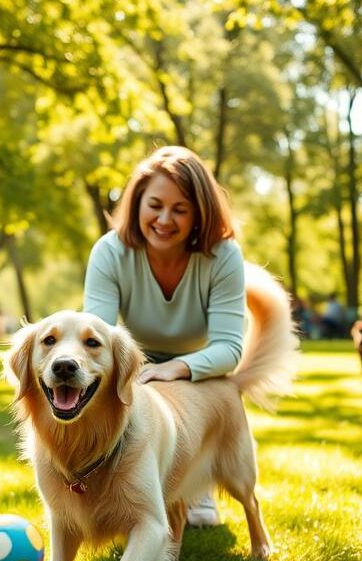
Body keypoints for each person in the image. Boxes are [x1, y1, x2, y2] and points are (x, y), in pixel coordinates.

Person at [83, 146, 246, 528]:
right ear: (138, 203)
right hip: (135, 363)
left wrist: (176, 368)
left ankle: (197, 484)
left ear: (200, 213)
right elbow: (96, 340)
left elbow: (229, 348)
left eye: (180, 209)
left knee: (192, 397)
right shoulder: (110, 252)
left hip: (197, 368)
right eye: (155, 205)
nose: (164, 219)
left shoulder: (223, 256)